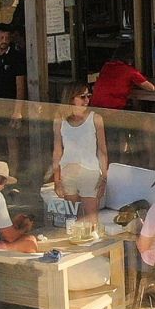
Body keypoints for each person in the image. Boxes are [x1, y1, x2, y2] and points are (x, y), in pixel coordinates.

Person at [51, 83, 110, 220]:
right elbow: (57, 150)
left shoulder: (95, 118)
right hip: (68, 171)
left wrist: (104, 177)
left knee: (91, 218)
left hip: (90, 172)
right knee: (71, 218)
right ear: (71, 99)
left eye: (88, 96)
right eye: (82, 97)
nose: (86, 100)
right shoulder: (60, 119)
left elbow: (102, 150)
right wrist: (57, 179)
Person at [90, 49, 155, 111]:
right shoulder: (130, 71)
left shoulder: (106, 67)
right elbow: (151, 88)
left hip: (95, 106)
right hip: (112, 109)